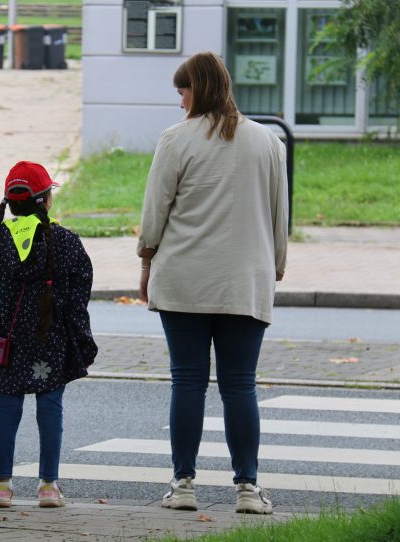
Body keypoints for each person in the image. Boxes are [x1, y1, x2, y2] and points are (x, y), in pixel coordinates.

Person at [137, 51, 288, 515]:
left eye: (181, 92)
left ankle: (183, 485)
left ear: (196, 89)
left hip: (183, 278)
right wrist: (276, 265)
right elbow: (279, 214)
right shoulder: (267, 143)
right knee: (240, 385)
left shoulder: (176, 140)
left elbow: (155, 213)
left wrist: (145, 261)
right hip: (246, 279)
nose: (179, 101)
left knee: (187, 382)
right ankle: (247, 488)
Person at [0, 161, 97, 509]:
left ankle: (1, 487)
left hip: (6, 340)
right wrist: (83, 342)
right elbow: (78, 300)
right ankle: (48, 485)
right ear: (46, 199)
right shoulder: (65, 242)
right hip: (51, 338)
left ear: (9, 202)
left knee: (8, 406)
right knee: (50, 407)